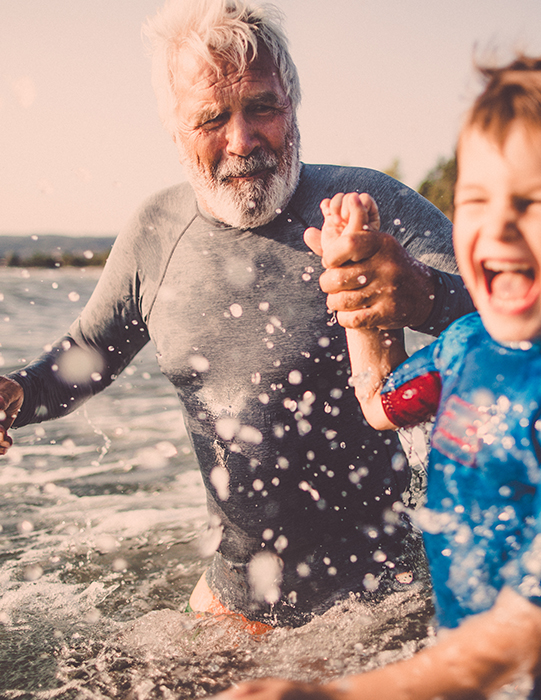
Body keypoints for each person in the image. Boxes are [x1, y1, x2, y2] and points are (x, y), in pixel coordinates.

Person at [0, 0, 472, 630]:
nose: (243, 139)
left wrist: (420, 295)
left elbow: (513, 313)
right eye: (211, 118)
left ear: (293, 107)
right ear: (174, 132)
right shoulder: (154, 234)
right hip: (234, 605)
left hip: (390, 605)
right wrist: (15, 395)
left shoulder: (367, 205)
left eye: (262, 108)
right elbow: (85, 355)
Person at [221, 54, 541, 698]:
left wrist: (341, 693)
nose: (498, 225)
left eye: (536, 200)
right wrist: (359, 292)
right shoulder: (467, 346)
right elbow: (379, 402)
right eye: (476, 199)